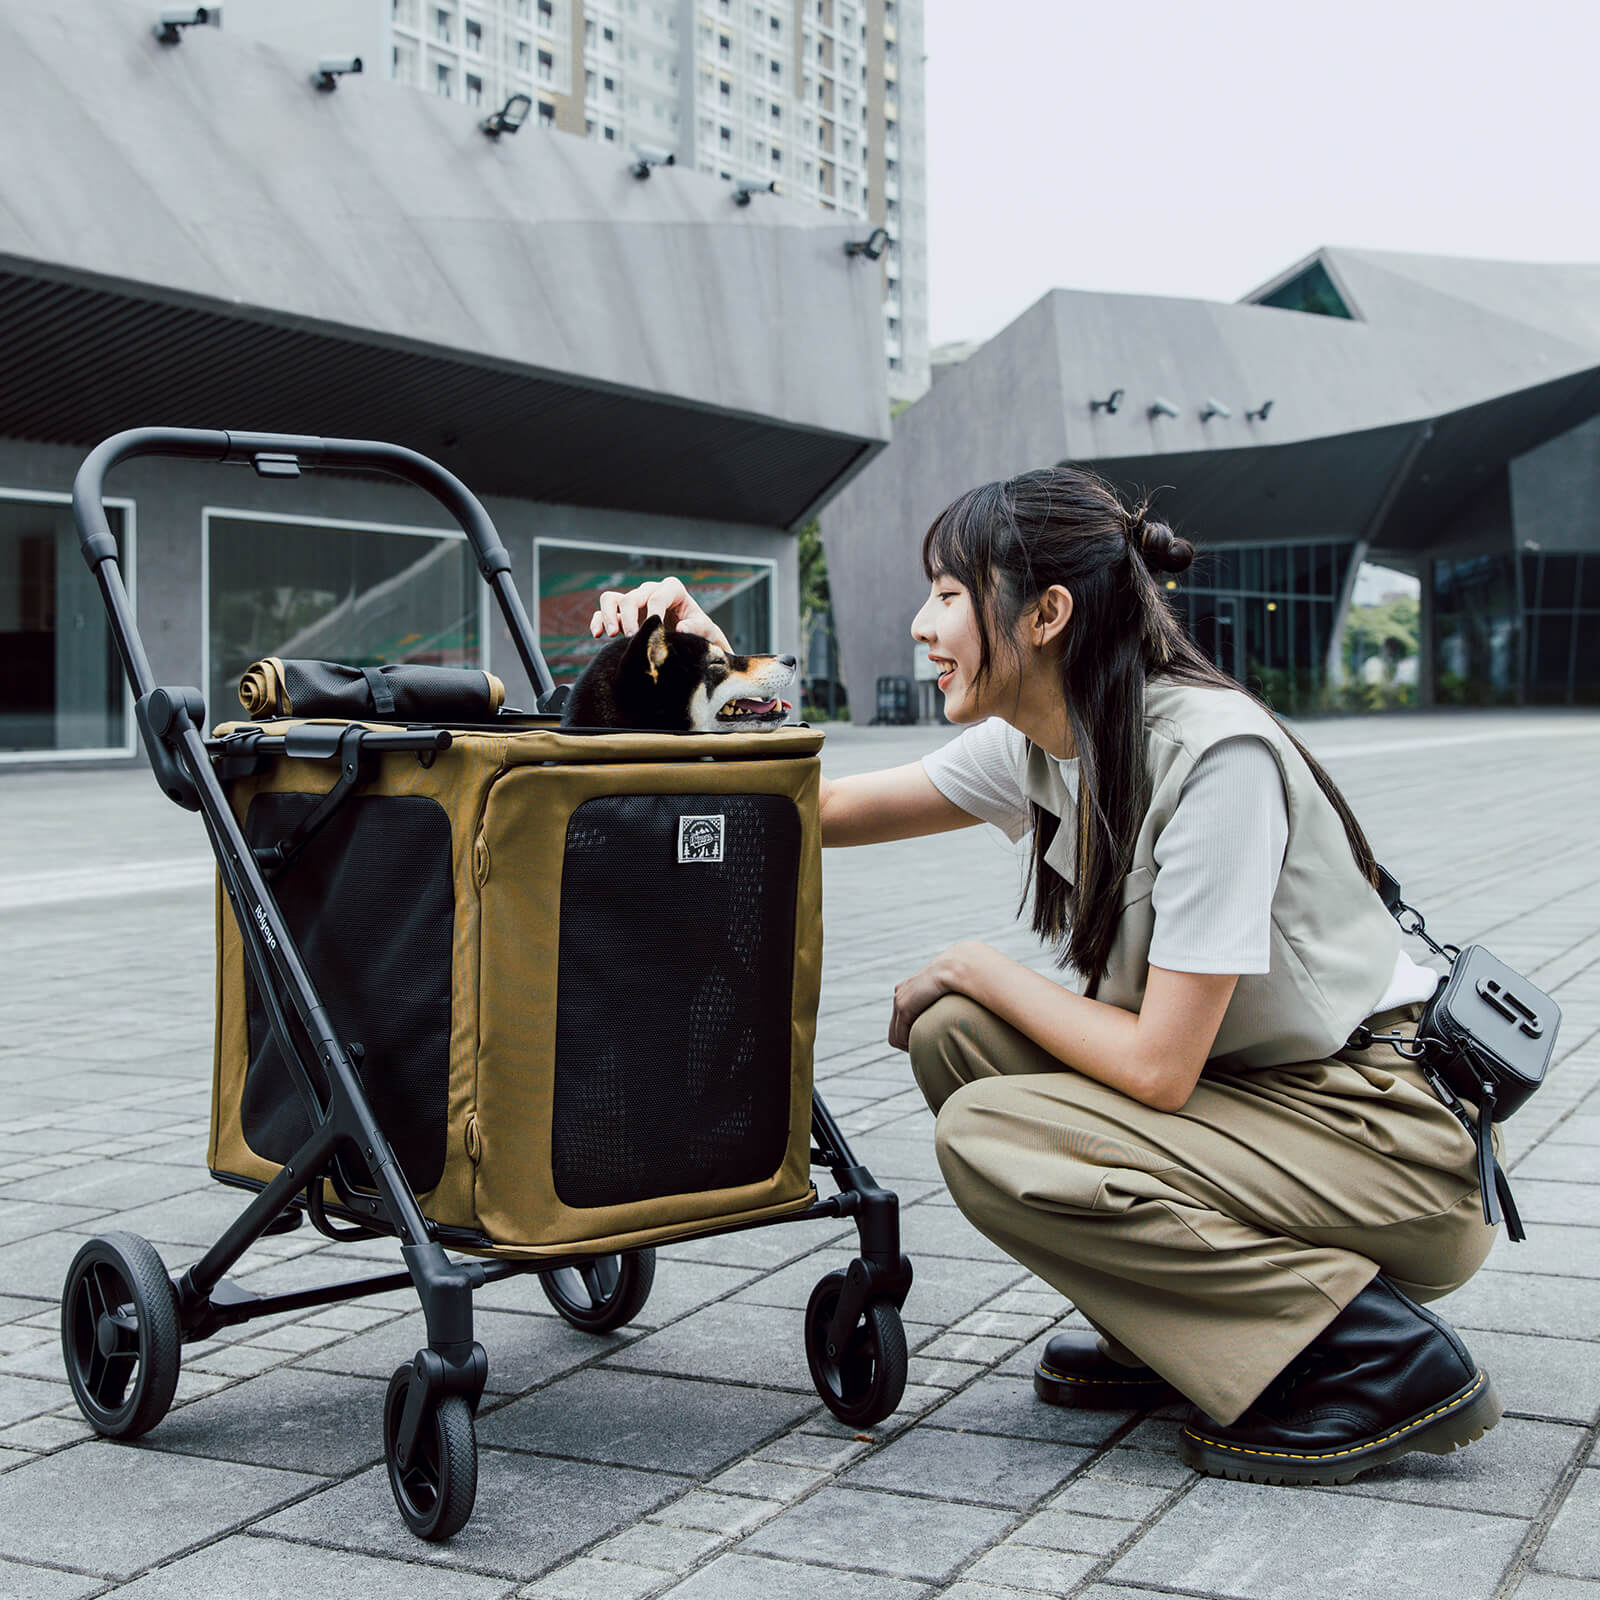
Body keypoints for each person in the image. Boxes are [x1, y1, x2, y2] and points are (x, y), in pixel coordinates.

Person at [587, 466, 1502, 1486]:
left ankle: (1372, 1359)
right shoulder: (1044, 739)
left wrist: (976, 963)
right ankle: (1173, 1334)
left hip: (1382, 1141)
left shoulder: (1212, 760)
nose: (918, 623)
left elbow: (1158, 1068)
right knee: (955, 1039)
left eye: (946, 593)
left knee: (985, 1127)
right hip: (1264, 1101)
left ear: (1045, 615)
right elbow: (820, 809)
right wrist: (706, 661)